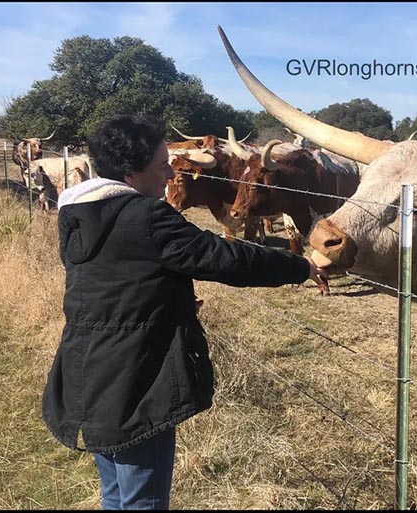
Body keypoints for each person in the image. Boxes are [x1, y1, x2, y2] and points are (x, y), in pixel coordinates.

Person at [41, 114, 327, 510]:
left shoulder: (78, 215)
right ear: (131, 170)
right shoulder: (146, 217)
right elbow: (223, 258)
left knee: (115, 494)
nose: (170, 178)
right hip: (136, 378)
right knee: (144, 501)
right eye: (162, 168)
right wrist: (298, 266)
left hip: (85, 372)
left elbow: (129, 280)